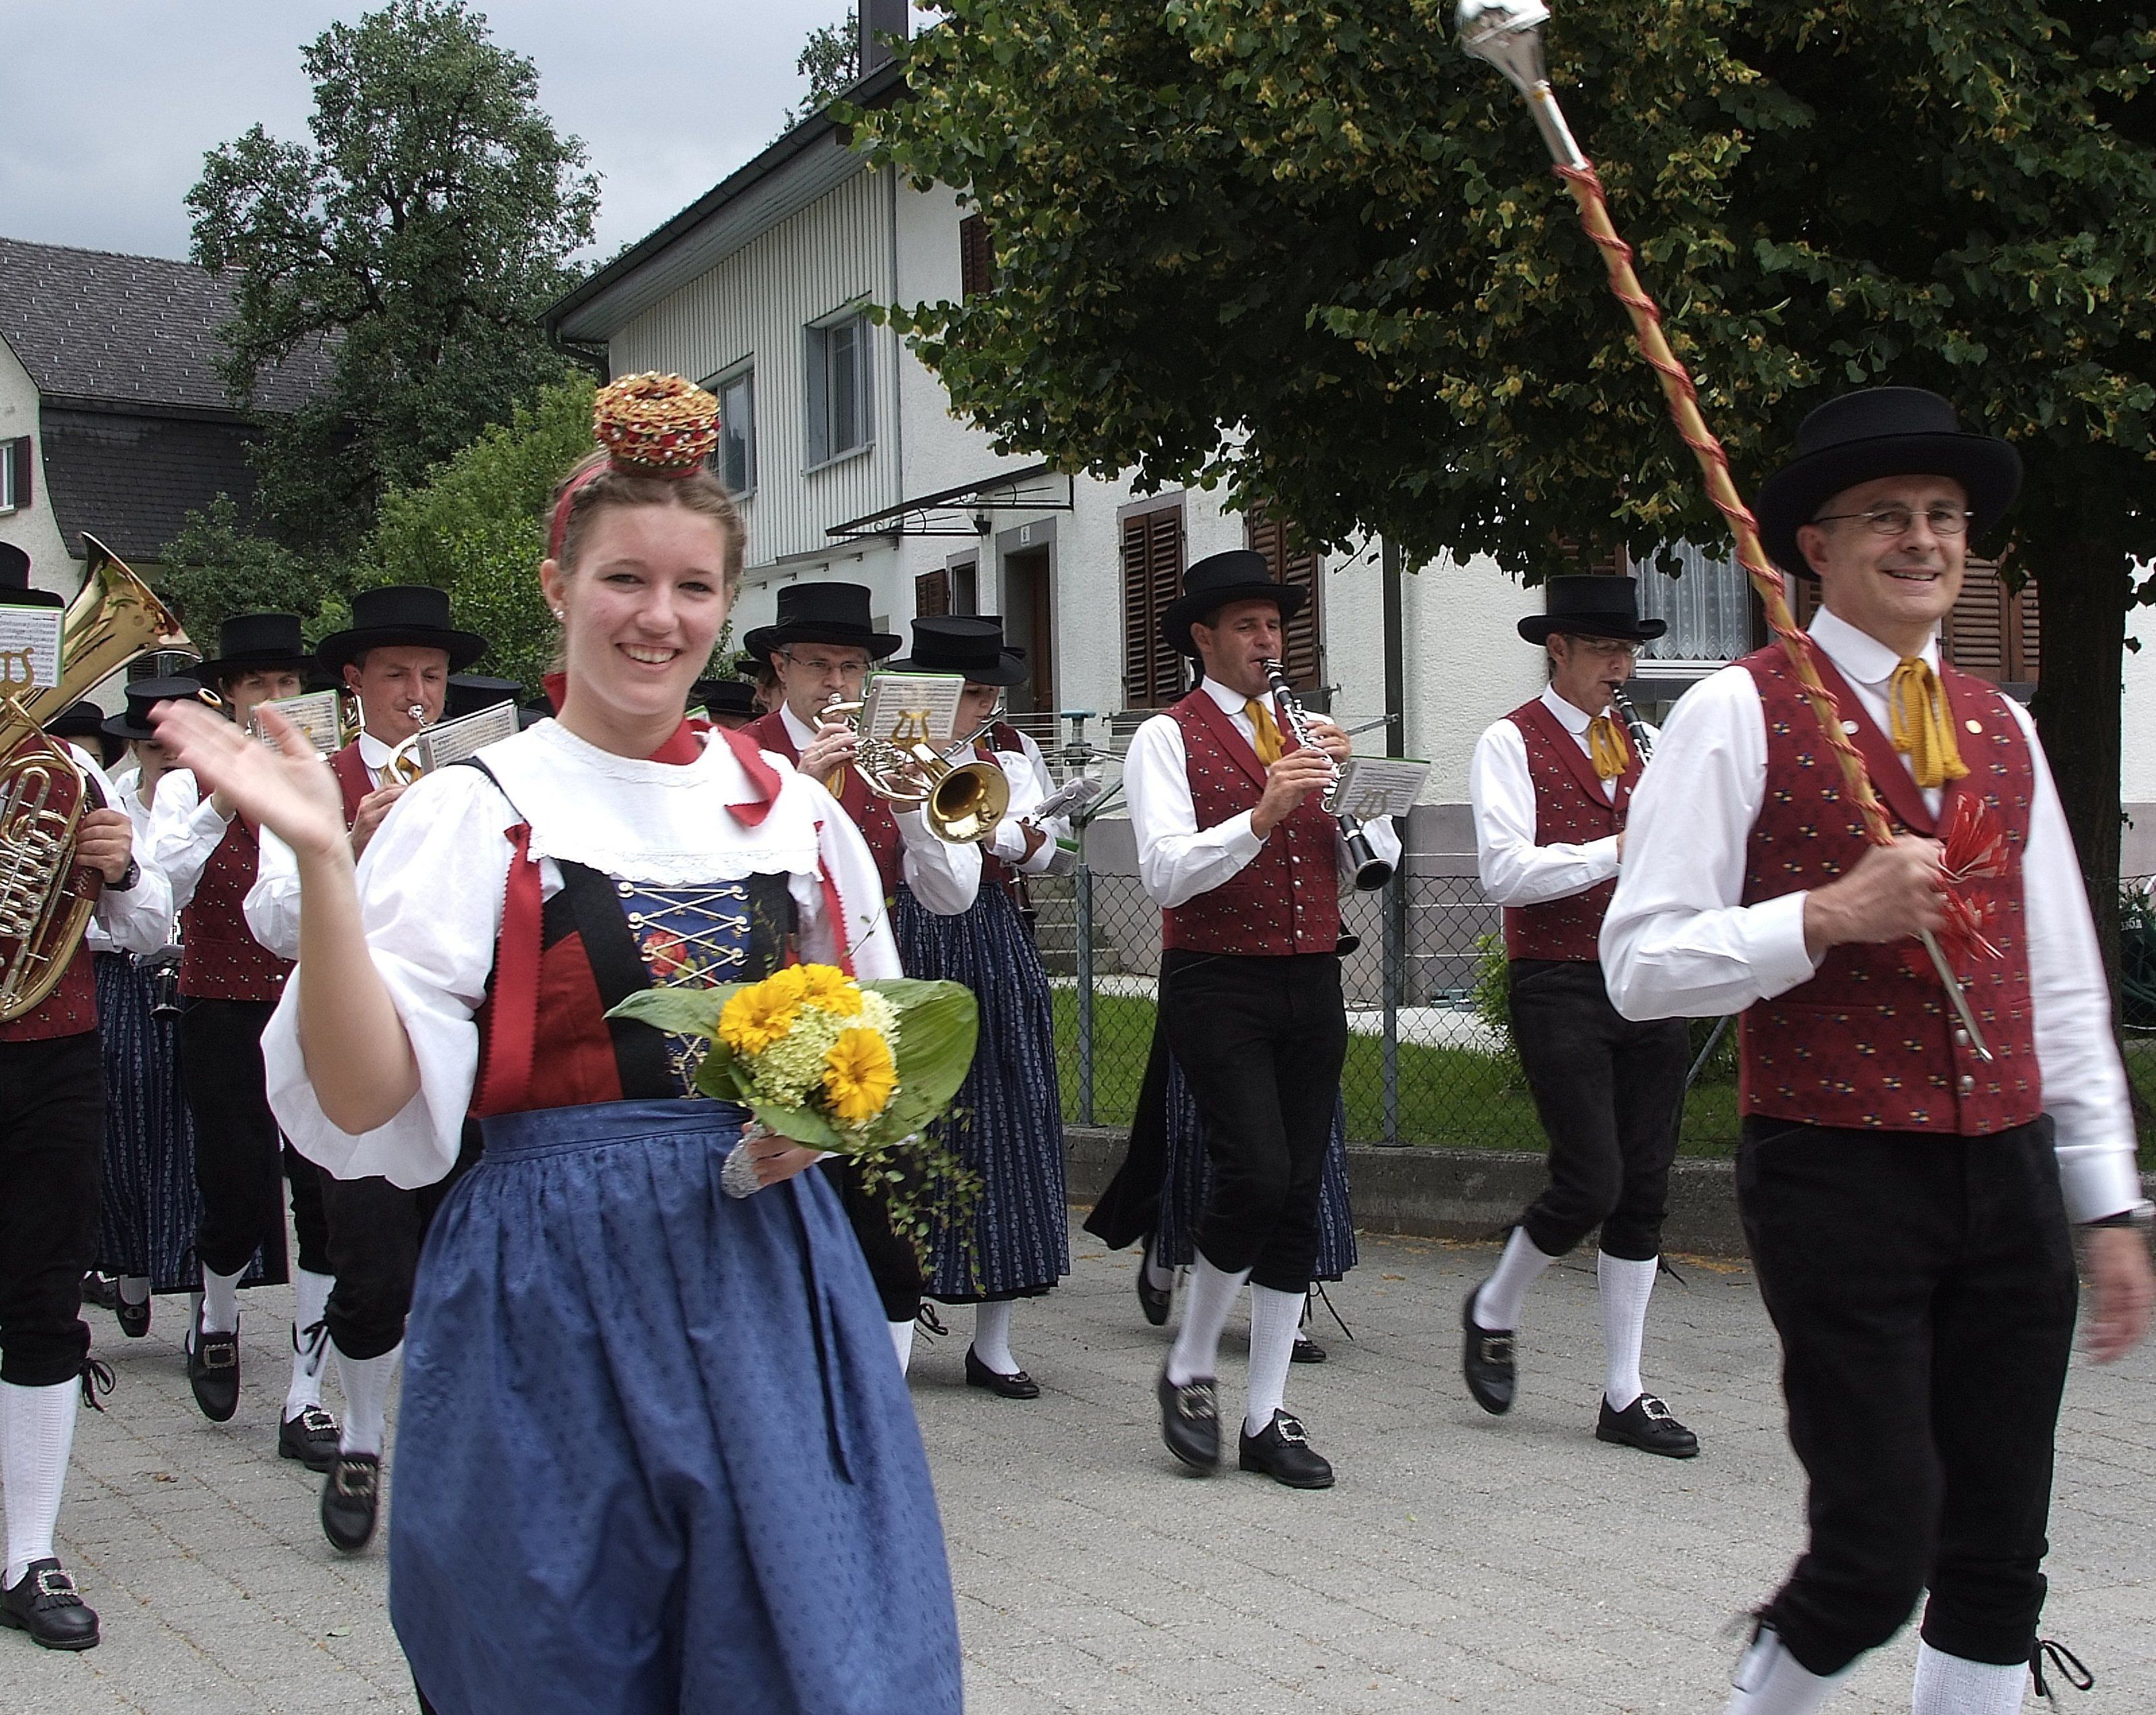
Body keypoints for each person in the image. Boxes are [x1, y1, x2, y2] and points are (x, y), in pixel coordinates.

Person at [152, 373, 961, 1715]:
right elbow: (363, 1102)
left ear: (728, 603)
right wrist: (321, 863)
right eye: (624, 579)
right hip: (548, 1288)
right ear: (557, 583)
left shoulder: (794, 818)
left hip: (767, 1283)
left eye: (694, 588)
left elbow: (883, 1051)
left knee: (808, 1656)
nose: (659, 618)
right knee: (556, 1654)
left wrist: (822, 1117)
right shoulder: (476, 809)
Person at [1601, 387, 2155, 1714]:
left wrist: (2107, 1204)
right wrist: (1824, 917)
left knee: (1996, 1549)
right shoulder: (1737, 716)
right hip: (1837, 1171)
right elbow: (1638, 961)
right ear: (1814, 546)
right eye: (1888, 516)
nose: (1924, 538)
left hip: (2010, 1173)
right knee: (1878, 1539)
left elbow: (2060, 988)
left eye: (1944, 515)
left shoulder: (2002, 729)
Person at [1123, 548, 1400, 1489]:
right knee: (1256, 1171)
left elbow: (1373, 855)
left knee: (1295, 1198)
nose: (1265, 641)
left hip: (1311, 977)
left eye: (1274, 626)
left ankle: (1267, 1411)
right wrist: (1261, 812)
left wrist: (1361, 792)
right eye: (1246, 626)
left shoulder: (1304, 730)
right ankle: (1192, 1363)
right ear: (1203, 639)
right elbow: (1162, 870)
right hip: (1216, 976)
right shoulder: (1168, 736)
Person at [245, 585, 488, 1551]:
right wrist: (346, 843)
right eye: (398, 677)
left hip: (458, 1045)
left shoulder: (475, 779)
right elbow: (270, 921)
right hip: (351, 1044)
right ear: (355, 683)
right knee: (371, 1259)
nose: (418, 695)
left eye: (431, 677)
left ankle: (448, 1448)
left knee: (464, 1257)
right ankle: (360, 1432)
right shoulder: (306, 776)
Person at [1462, 575, 1697, 1457]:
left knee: (1645, 1187)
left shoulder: (1650, 738)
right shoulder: (1507, 742)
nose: (1622, 667)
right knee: (1590, 1178)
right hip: (1557, 977)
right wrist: (1618, 849)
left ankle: (1625, 1391)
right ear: (1558, 649)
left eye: (1630, 651)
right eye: (1605, 650)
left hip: (1647, 974)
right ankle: (1494, 1303)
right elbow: (1504, 874)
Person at [0, 545, 172, 1652]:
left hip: (51, 1062)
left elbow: (152, 933)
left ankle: (27, 1547)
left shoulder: (70, 771)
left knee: (41, 1296)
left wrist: (115, 871)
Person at [743, 582, 980, 1371]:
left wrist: (914, 802)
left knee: (888, 1230)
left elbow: (953, 893)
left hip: (871, 1011)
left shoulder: (893, 756)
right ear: (780, 667)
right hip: (766, 1013)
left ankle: (885, 1404)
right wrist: (796, 784)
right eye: (819, 665)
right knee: (772, 1224)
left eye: (851, 667)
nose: (838, 684)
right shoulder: (734, 756)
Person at [147, 614, 340, 1470]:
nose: (276, 700)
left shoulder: (325, 774)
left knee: (322, 1194)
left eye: (288, 684)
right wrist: (227, 795)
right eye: (258, 686)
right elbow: (159, 891)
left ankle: (306, 1393)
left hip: (311, 1001)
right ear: (227, 696)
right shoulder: (185, 787)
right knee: (234, 1185)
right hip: (220, 1001)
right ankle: (217, 1311)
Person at [881, 616, 1070, 1394]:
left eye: (989, 692)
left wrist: (1004, 836)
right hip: (902, 927)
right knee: (904, 1119)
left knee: (1006, 1112)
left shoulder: (1010, 756)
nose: (981, 706)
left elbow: (1049, 847)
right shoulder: (888, 747)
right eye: (969, 692)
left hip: (988, 936)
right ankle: (894, 1302)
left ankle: (994, 1338)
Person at [86, 678, 213, 1340]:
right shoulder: (106, 793)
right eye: (159, 749)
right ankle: (132, 1273)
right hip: (118, 973)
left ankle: (200, 1303)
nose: (171, 760)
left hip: (189, 975)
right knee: (126, 1130)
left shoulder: (203, 797)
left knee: (188, 1137)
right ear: (138, 748)